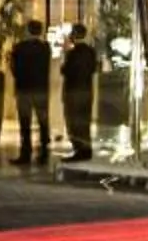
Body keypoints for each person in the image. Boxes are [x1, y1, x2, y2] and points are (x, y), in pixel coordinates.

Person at [10, 18, 53, 170]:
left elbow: (14, 69)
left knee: (25, 123)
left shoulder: (19, 48)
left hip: (24, 90)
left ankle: (25, 153)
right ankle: (44, 153)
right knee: (43, 123)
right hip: (41, 90)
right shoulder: (45, 48)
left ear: (28, 30)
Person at [60, 21, 98, 162]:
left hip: (73, 91)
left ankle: (79, 150)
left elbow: (65, 71)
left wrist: (65, 54)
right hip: (86, 91)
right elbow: (93, 69)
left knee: (74, 122)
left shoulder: (73, 53)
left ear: (74, 35)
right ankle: (86, 149)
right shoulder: (91, 52)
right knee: (84, 121)